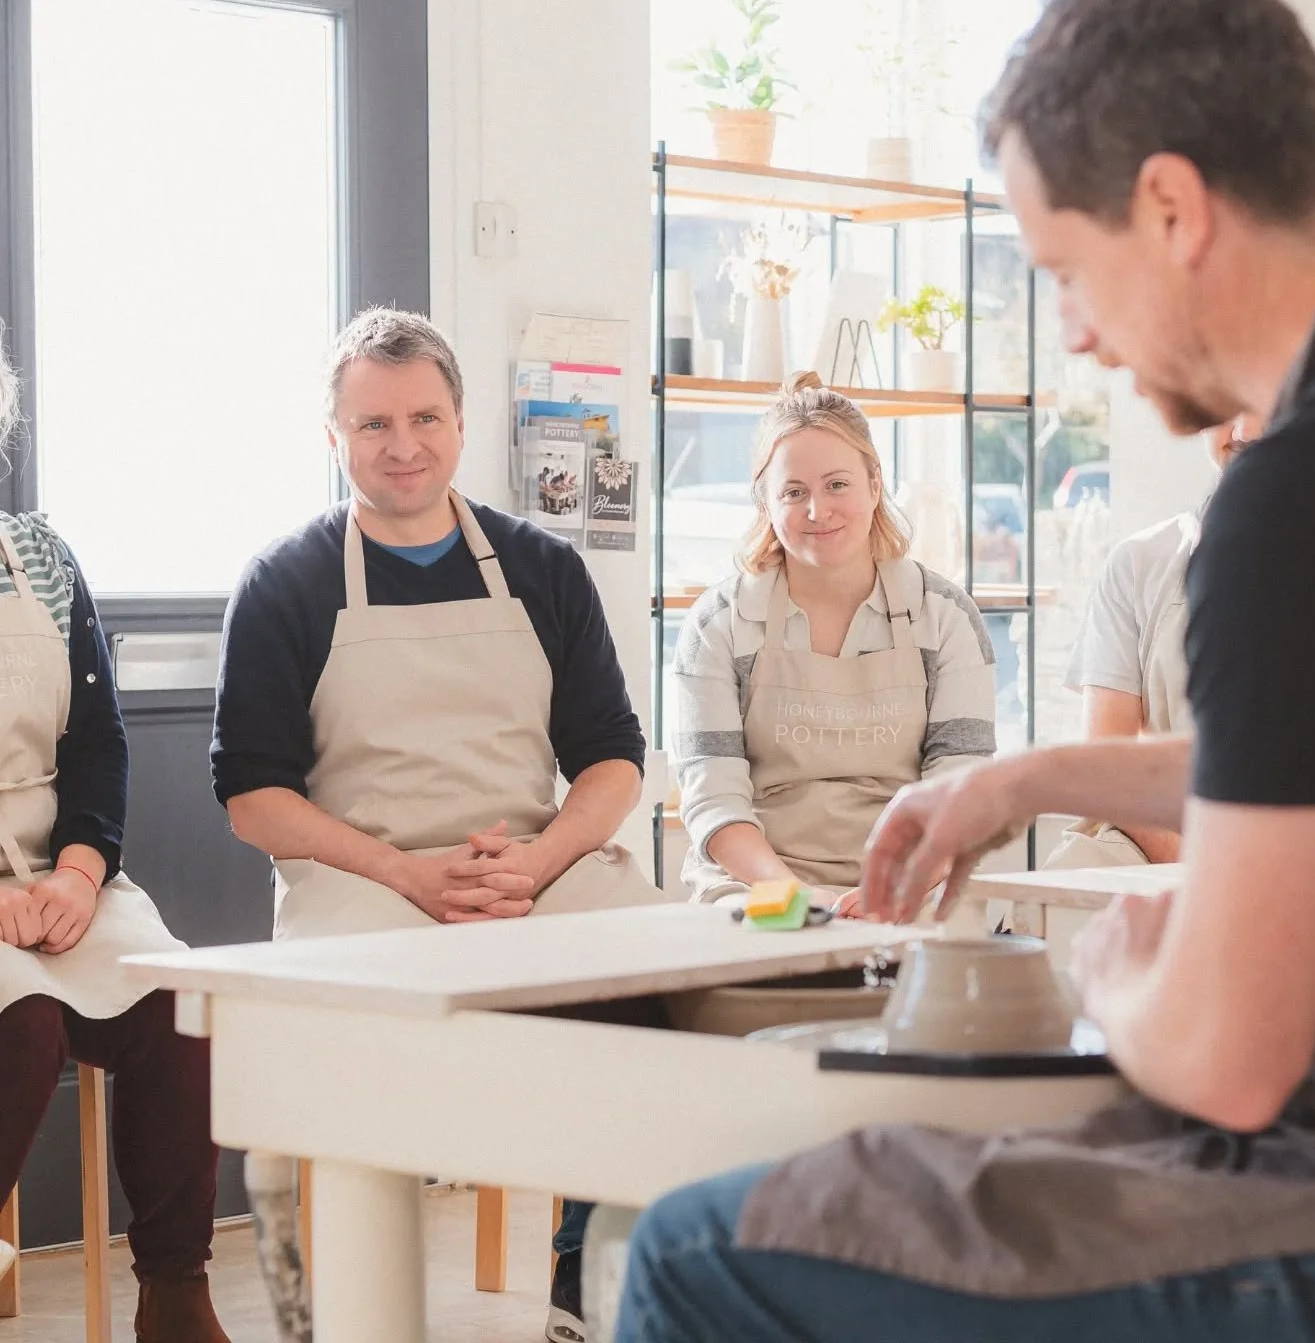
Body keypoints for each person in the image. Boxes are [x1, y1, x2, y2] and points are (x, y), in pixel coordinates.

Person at [614, 0, 1315, 1342]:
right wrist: (1032, 780)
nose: (1077, 333)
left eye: (1064, 268)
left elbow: (1232, 1064)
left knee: (700, 1249)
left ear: (1172, 207)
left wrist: (1114, 980)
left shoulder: (1300, 499)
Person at [212, 307, 659, 1343]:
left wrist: (542, 861)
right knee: (340, 1053)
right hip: (363, 880)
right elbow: (253, 798)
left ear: (460, 423)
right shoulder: (285, 582)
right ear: (334, 438)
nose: (402, 446)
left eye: (424, 417)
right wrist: (409, 878)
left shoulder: (544, 567)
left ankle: (584, 1295)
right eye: (373, 425)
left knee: (654, 975)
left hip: (531, 863)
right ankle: (353, 1312)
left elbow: (610, 757)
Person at [0, 339, 229, 1342]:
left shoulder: (40, 558)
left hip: (61, 869)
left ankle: (176, 1291)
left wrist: (85, 872)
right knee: (26, 1024)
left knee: (181, 1006)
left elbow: (99, 743)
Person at [672, 372, 996, 912]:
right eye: (794, 493)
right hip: (758, 881)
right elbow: (714, 796)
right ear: (766, 505)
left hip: (917, 874)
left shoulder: (944, 617)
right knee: (775, 969)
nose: (817, 511)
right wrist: (797, 896)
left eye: (837, 484)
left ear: (875, 484)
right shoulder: (720, 624)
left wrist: (896, 886)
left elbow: (959, 789)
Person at [1046, 412, 1260, 867]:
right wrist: (1205, 875)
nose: (1242, 431)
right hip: (1167, 844)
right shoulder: (1141, 563)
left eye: (1263, 402)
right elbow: (1107, 768)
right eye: (1225, 406)